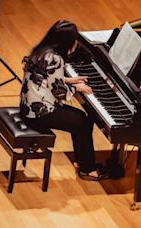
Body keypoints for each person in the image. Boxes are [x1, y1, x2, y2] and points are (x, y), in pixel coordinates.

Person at [19, 20, 107, 181]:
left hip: (27, 107)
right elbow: (59, 92)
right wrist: (76, 88)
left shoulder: (41, 51)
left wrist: (68, 80)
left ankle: (83, 162)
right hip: (40, 113)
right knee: (81, 121)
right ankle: (87, 169)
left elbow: (44, 78)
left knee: (81, 121)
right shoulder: (56, 58)